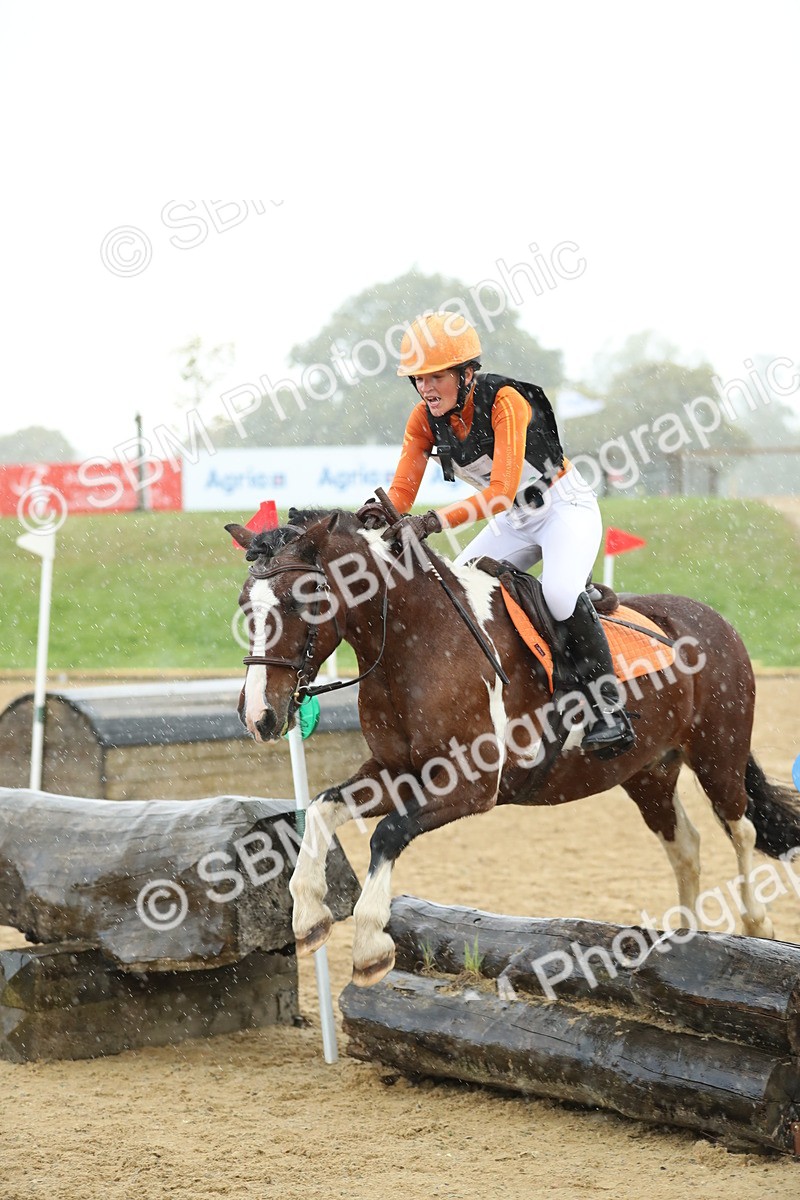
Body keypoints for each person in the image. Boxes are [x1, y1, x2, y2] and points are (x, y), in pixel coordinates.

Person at [357, 310, 635, 758]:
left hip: (563, 507)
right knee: (455, 597)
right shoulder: (423, 419)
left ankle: (608, 710)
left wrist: (431, 523)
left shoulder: (506, 401)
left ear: (467, 374)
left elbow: (500, 493)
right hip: (513, 523)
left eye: (436, 377)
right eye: (418, 379)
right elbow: (402, 491)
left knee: (560, 596)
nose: (426, 388)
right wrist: (381, 512)